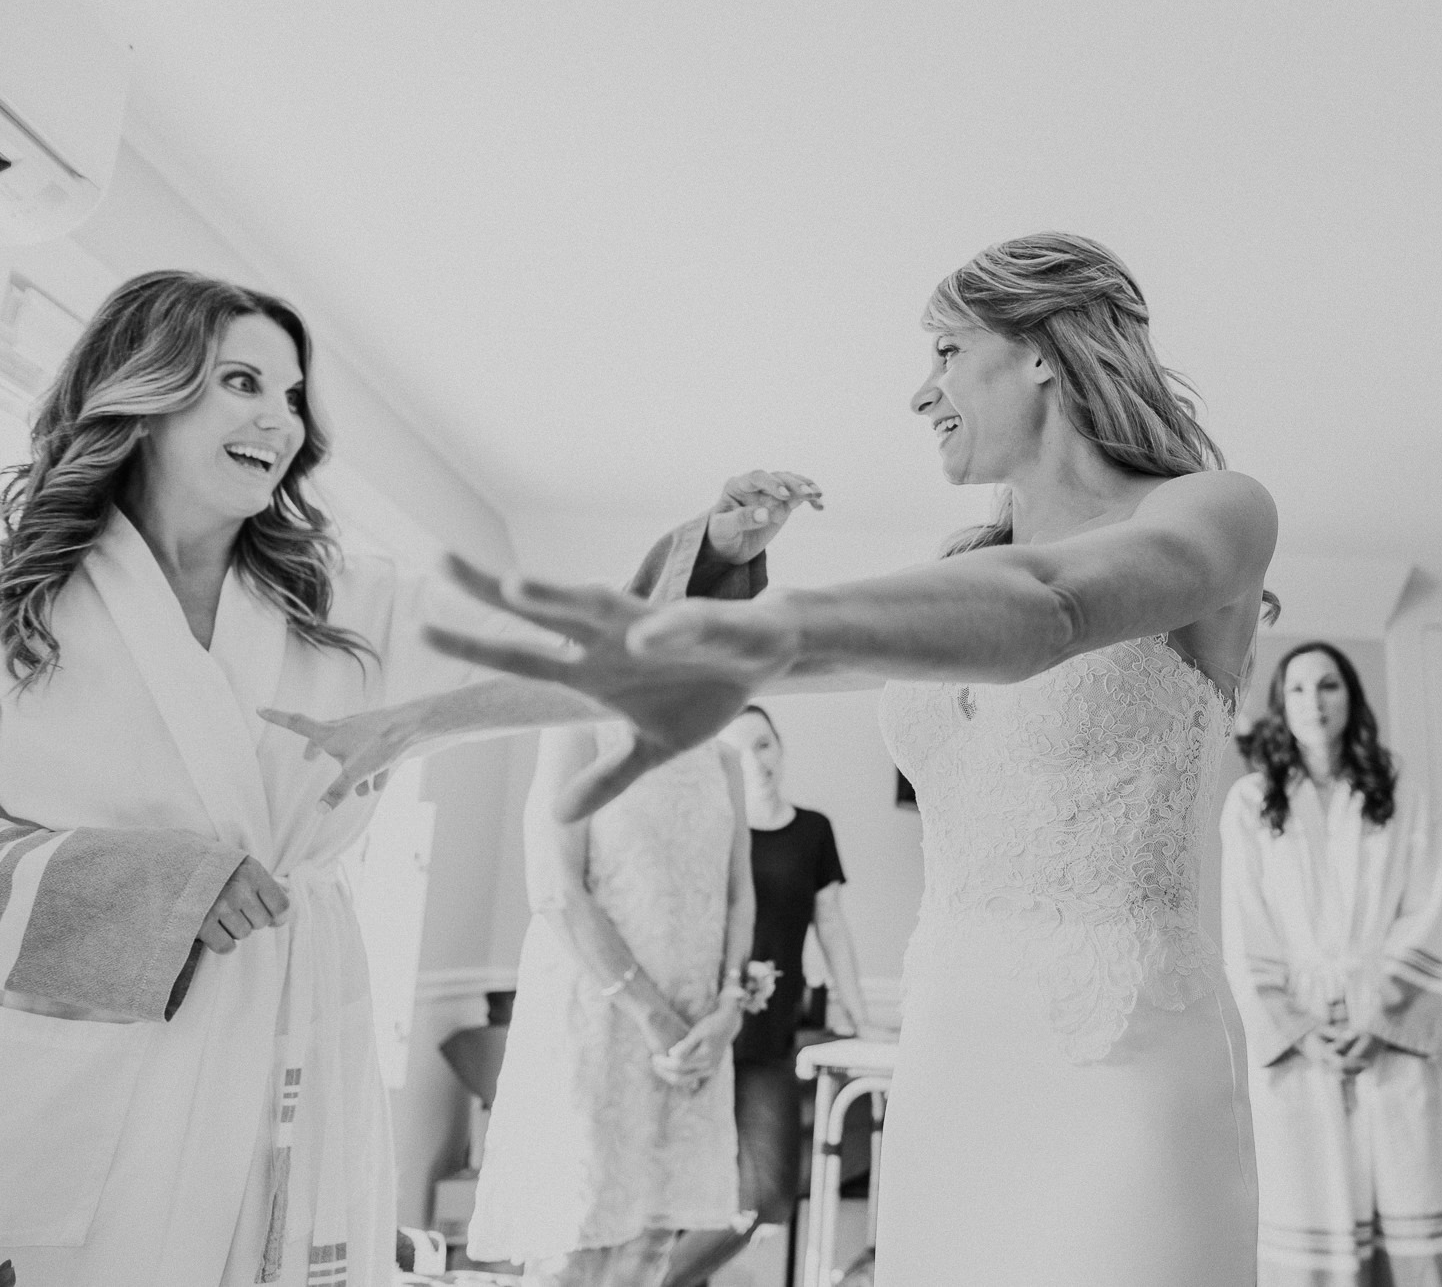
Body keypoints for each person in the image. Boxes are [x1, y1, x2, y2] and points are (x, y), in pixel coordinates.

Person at [353, 232, 1279, 1287]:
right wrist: (416, 722)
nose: (920, 392)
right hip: (954, 1048)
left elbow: (1055, 612)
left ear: (1038, 351)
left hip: (1122, 1060)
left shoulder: (1217, 513)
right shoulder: (953, 571)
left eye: (944, 350)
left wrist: (782, 620)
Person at [0, 267, 804, 1287]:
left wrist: (710, 563)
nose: (281, 421)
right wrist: (147, 884)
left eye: (291, 396)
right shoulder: (21, 600)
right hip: (94, 1042)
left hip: (290, 1007)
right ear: (144, 387)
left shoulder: (337, 597)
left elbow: (560, 647)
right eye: (242, 383)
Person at [1220, 642, 1442, 1287]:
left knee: (1418, 1190)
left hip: (1388, 1025)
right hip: (1299, 1036)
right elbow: (1244, 926)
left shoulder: (1398, 793)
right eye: (1297, 689)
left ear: (1352, 697)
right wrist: (1296, 1028)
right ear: (1279, 705)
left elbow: (1430, 907)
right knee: (1309, 1208)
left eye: (1329, 686)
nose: (1314, 702)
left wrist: (1380, 1019)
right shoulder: (1252, 803)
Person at [465, 720, 753, 1286]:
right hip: (598, 1019)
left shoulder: (721, 756)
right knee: (576, 1246)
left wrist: (729, 1006)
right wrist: (654, 1018)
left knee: (650, 1251)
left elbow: (740, 890)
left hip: (696, 1035)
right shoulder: (580, 730)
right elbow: (555, 887)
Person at [663, 704, 889, 1287]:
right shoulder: (710, 825)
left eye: (764, 745)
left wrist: (861, 1021)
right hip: (703, 1033)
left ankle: (653, 1282)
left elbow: (831, 927)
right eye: (739, 750)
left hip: (769, 1042)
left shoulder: (813, 830)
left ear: (781, 748)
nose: (755, 761)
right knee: (684, 1190)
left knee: (766, 1195)